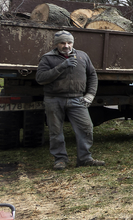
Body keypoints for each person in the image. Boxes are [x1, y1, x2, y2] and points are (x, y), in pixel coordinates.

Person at [35, 30, 103, 170]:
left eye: (69, 42)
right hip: (54, 99)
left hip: (77, 99)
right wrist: (62, 66)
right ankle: (60, 160)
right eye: (62, 43)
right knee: (55, 131)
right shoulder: (47, 58)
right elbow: (40, 78)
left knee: (86, 128)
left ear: (73, 43)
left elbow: (92, 76)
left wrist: (90, 95)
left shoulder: (82, 56)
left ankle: (84, 158)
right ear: (56, 44)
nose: (66, 46)